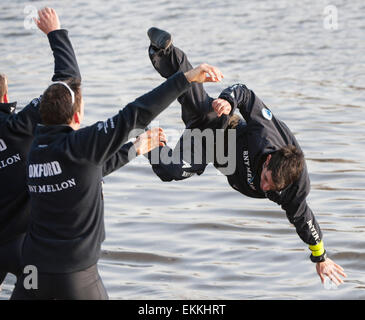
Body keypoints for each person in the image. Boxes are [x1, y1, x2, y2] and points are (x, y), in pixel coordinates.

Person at [10, 17, 223, 300]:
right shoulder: (81, 145)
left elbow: (88, 172)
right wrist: (186, 78)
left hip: (32, 274)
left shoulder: (35, 149)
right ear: (76, 115)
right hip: (75, 277)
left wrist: (135, 148)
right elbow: (136, 112)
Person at [145, 27, 347, 286]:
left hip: (212, 149)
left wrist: (321, 258)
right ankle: (162, 50)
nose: (265, 188)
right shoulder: (268, 133)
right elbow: (245, 92)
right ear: (268, 160)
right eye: (266, 178)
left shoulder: (292, 192)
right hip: (219, 122)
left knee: (168, 170)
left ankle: (150, 141)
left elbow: (305, 221)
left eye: (271, 187)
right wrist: (229, 101)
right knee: (189, 89)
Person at [0, 7, 85, 290]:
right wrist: (54, 33)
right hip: (27, 248)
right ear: (5, 96)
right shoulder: (18, 125)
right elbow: (68, 84)